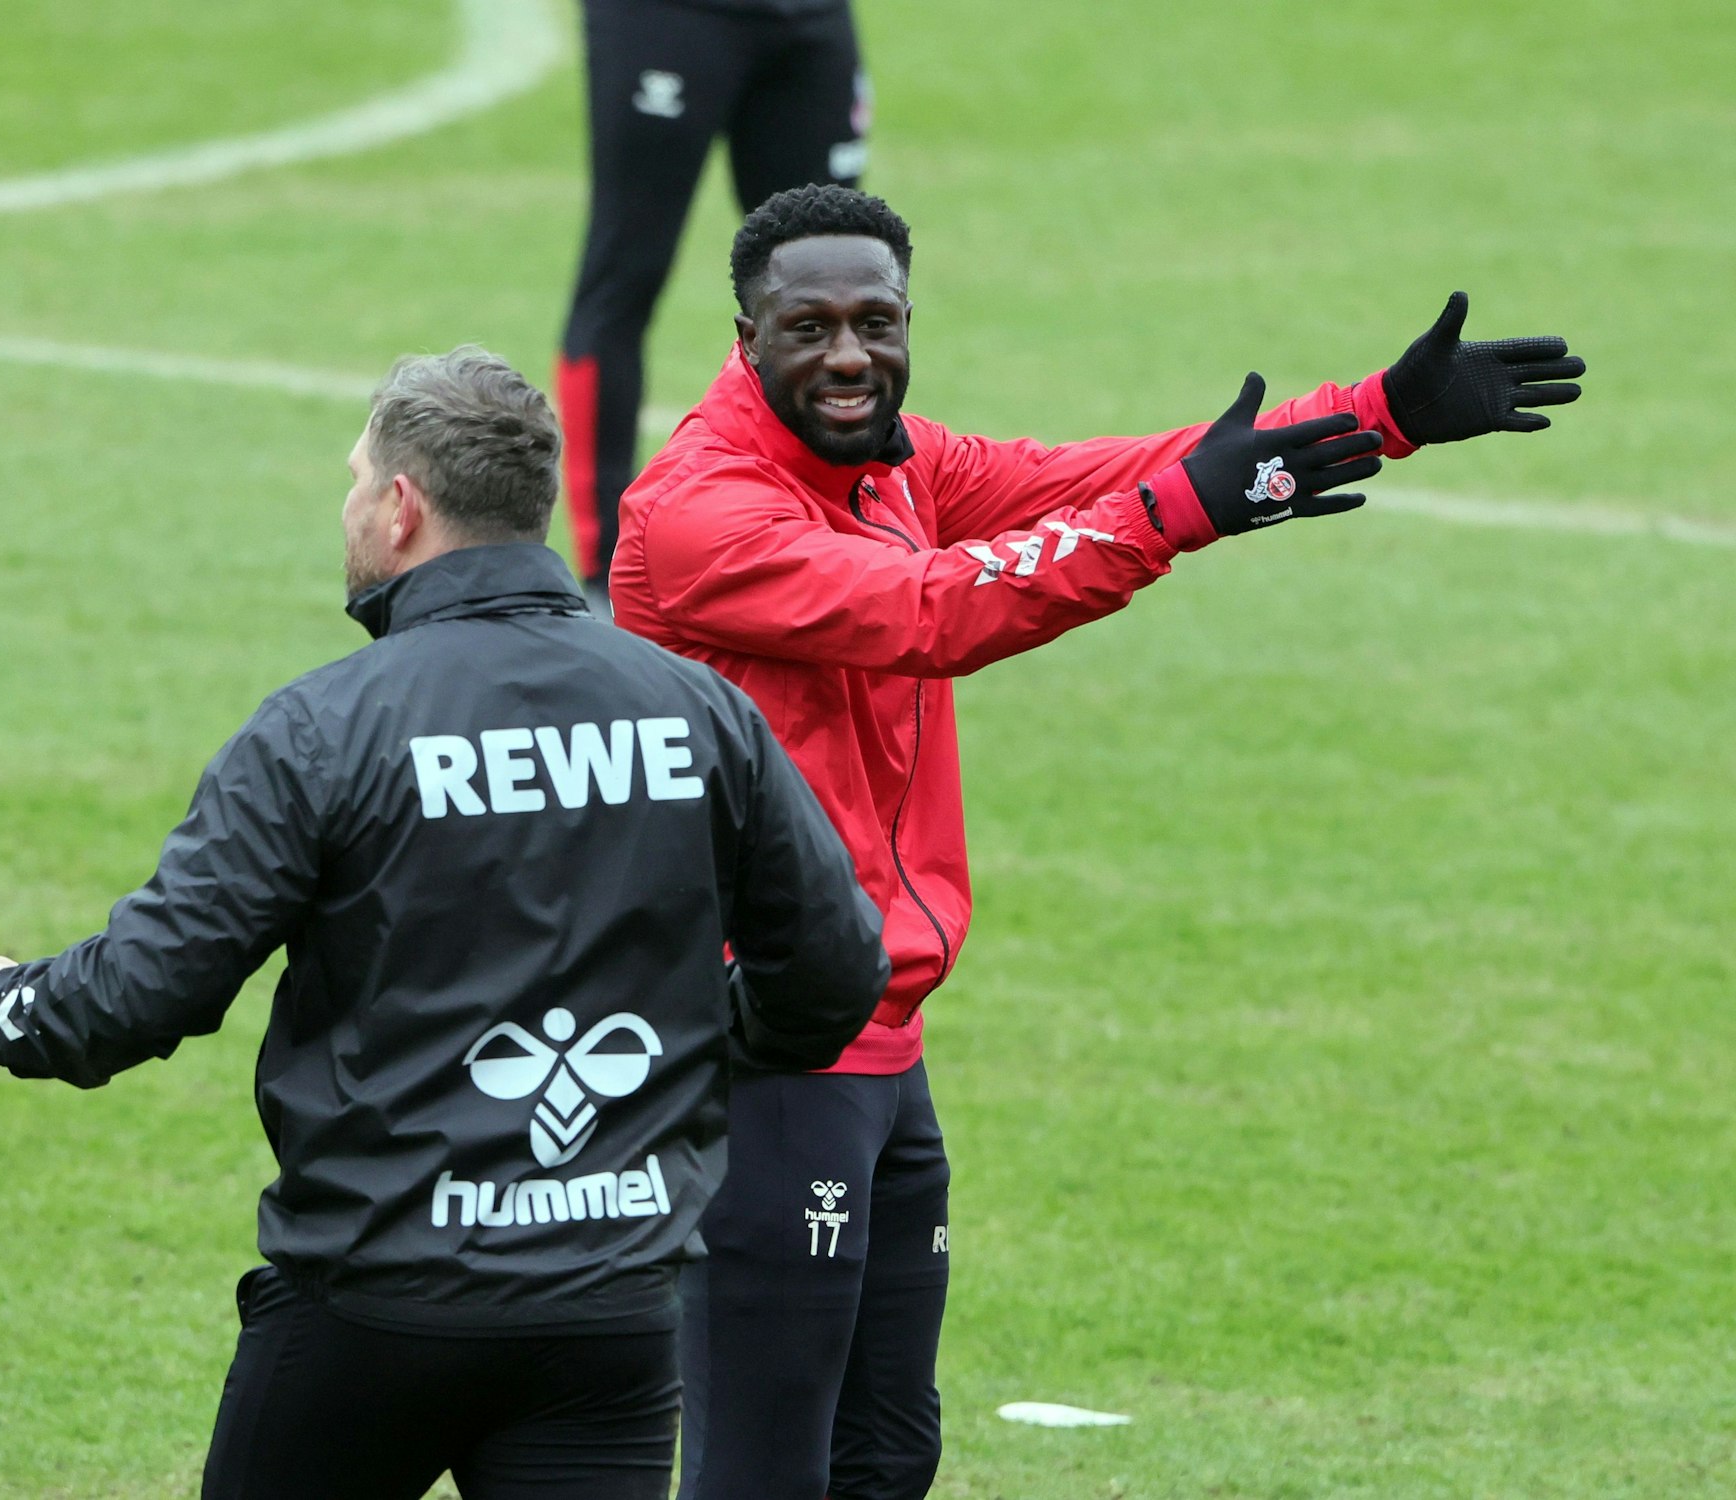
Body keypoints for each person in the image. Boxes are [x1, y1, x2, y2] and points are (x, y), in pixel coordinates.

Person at [607, 183, 1586, 1500]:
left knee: (885, 1456)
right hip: (766, 1047)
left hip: (878, 1036)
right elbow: (931, 612)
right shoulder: (704, 512)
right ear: (746, 335)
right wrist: (1183, 513)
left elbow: (1095, 476)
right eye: (811, 327)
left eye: (877, 321)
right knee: (766, 1471)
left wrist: (1380, 414)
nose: (851, 355)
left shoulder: (891, 463)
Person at [0, 346, 892, 1500]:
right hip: (607, 1318)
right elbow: (839, 970)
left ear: (401, 507)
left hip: (371, 1309)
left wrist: (4, 1005)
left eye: (354, 481)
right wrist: (699, 1045)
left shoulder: (322, 729)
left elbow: (149, 989)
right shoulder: (691, 707)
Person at [558, 0, 869, 608]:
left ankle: (834, 540)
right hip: (669, 19)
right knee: (625, 272)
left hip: (811, 17)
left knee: (834, 289)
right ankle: (606, 583)